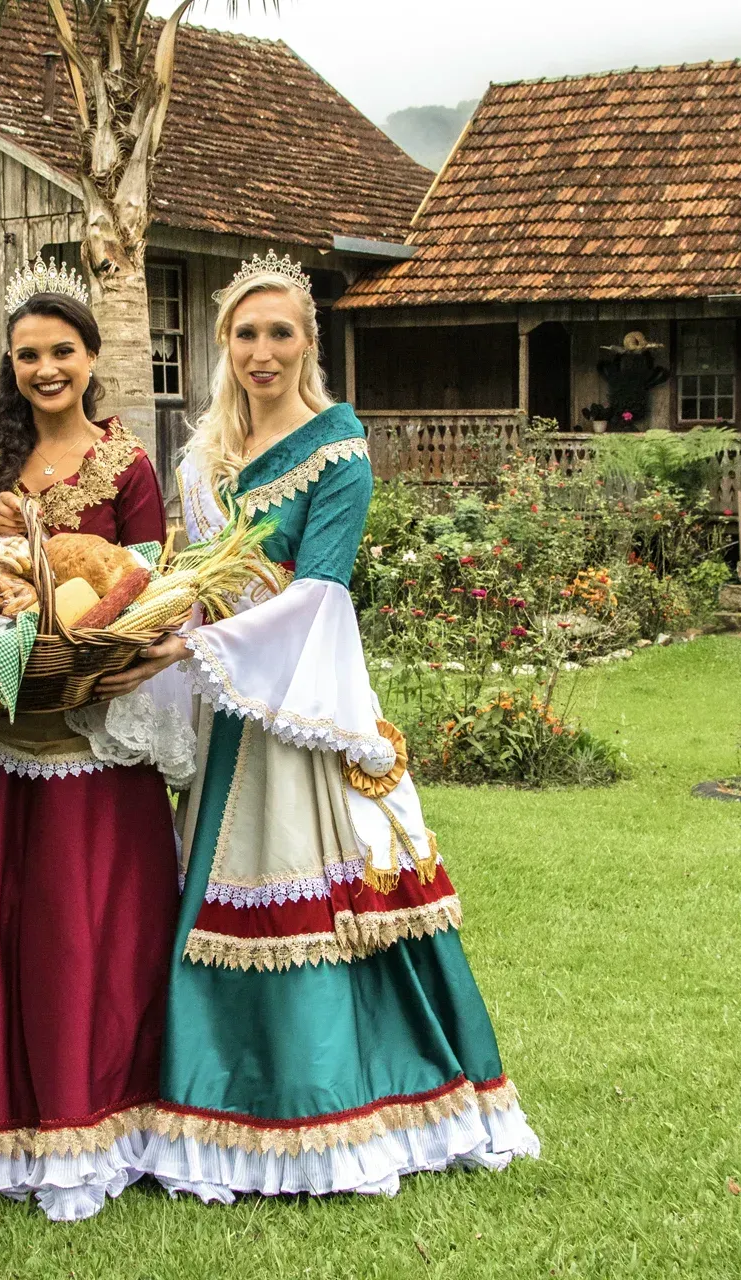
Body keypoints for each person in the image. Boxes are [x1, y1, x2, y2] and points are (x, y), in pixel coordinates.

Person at [104, 254, 541, 1201]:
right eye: (245, 334)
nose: (263, 352)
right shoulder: (203, 457)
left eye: (281, 333)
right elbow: (190, 584)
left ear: (310, 342)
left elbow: (321, 592)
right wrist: (155, 637)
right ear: (225, 345)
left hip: (297, 707)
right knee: (214, 892)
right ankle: (210, 1099)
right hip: (227, 709)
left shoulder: (339, 448)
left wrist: (201, 653)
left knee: (309, 895)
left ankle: (329, 1102)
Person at [0, 262, 188, 1221]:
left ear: (91, 359)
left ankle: (103, 1114)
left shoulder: (127, 466)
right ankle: (3, 1121)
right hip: (9, 730)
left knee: (94, 926)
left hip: (95, 737)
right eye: (30, 354)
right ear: (12, 362)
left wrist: (127, 656)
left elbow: (158, 591)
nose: (47, 368)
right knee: (11, 925)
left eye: (63, 352)